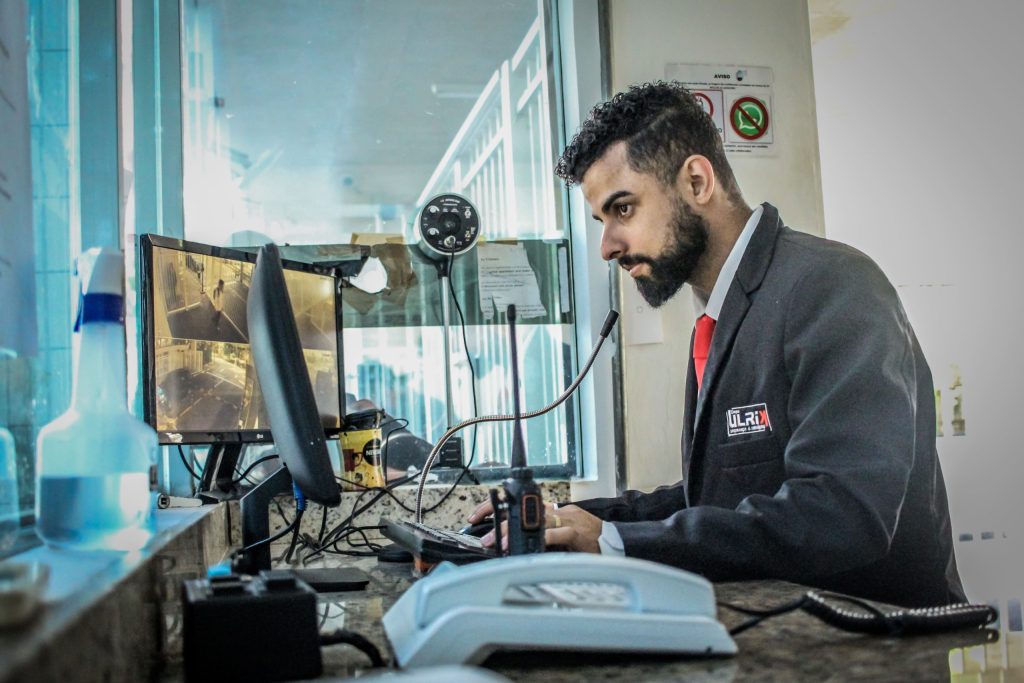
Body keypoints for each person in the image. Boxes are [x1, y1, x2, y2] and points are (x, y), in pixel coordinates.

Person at [469, 81, 965, 608]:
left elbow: (841, 515)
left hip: (879, 636)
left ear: (697, 182)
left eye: (624, 209)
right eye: (602, 220)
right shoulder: (720, 315)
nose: (607, 246)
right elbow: (714, 499)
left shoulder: (834, 285)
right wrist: (572, 521)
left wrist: (615, 543)